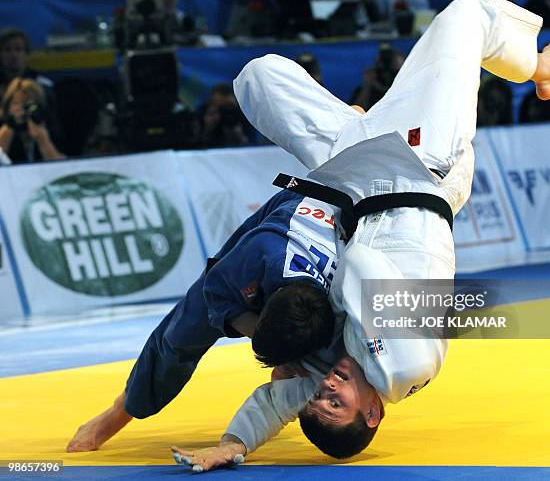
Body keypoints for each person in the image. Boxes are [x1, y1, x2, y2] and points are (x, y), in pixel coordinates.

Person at [171, 0, 550, 471]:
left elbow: (273, 402)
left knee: (259, 79)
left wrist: (233, 444)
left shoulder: (340, 368)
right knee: (465, 16)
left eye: (319, 398)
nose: (325, 389)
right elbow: (360, 267)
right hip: (422, 168)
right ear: (373, 411)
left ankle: (358, 119)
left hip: (356, 173)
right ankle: (543, 69)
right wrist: (307, 342)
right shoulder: (406, 363)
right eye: (336, 403)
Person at [66, 188, 343, 452]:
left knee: (319, 352)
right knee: (184, 332)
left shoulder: (348, 289)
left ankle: (289, 356)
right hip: (287, 212)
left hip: (340, 213)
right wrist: (276, 353)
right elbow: (214, 294)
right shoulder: (258, 250)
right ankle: (121, 410)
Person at [0, 78, 65, 164]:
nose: (22, 110)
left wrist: (42, 138)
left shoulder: (50, 127)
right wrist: (10, 126)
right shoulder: (3, 126)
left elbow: (61, 166)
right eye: (16, 103)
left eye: (28, 105)